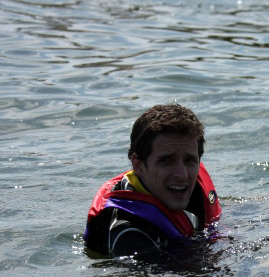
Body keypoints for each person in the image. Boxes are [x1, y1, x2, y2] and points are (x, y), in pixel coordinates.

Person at [84, 104, 221, 256]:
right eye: (166, 161)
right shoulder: (129, 237)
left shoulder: (182, 186)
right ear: (138, 166)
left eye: (189, 161)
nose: (182, 175)